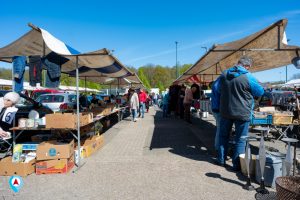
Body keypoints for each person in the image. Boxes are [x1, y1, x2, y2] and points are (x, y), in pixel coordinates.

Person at [217, 56, 264, 171]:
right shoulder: (248, 76)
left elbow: (218, 90)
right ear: (247, 66)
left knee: (223, 136)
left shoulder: (223, 74)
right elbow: (260, 91)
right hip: (242, 112)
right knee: (240, 139)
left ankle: (221, 160)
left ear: (238, 63)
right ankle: (237, 165)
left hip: (225, 111)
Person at [210, 78, 221, 154]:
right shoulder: (221, 83)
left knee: (219, 128)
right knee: (220, 129)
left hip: (215, 108)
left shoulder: (216, 83)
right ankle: (218, 147)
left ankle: (218, 146)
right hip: (219, 109)